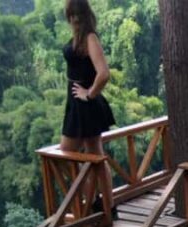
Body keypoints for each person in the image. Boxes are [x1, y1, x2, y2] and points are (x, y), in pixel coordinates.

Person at [61, 0, 115, 207]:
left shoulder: (90, 38)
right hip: (76, 104)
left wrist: (89, 94)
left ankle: (95, 200)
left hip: (85, 105)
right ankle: (105, 204)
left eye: (78, 14)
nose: (74, 18)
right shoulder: (77, 38)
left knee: (66, 154)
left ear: (85, 15)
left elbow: (103, 74)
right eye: (71, 14)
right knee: (95, 154)